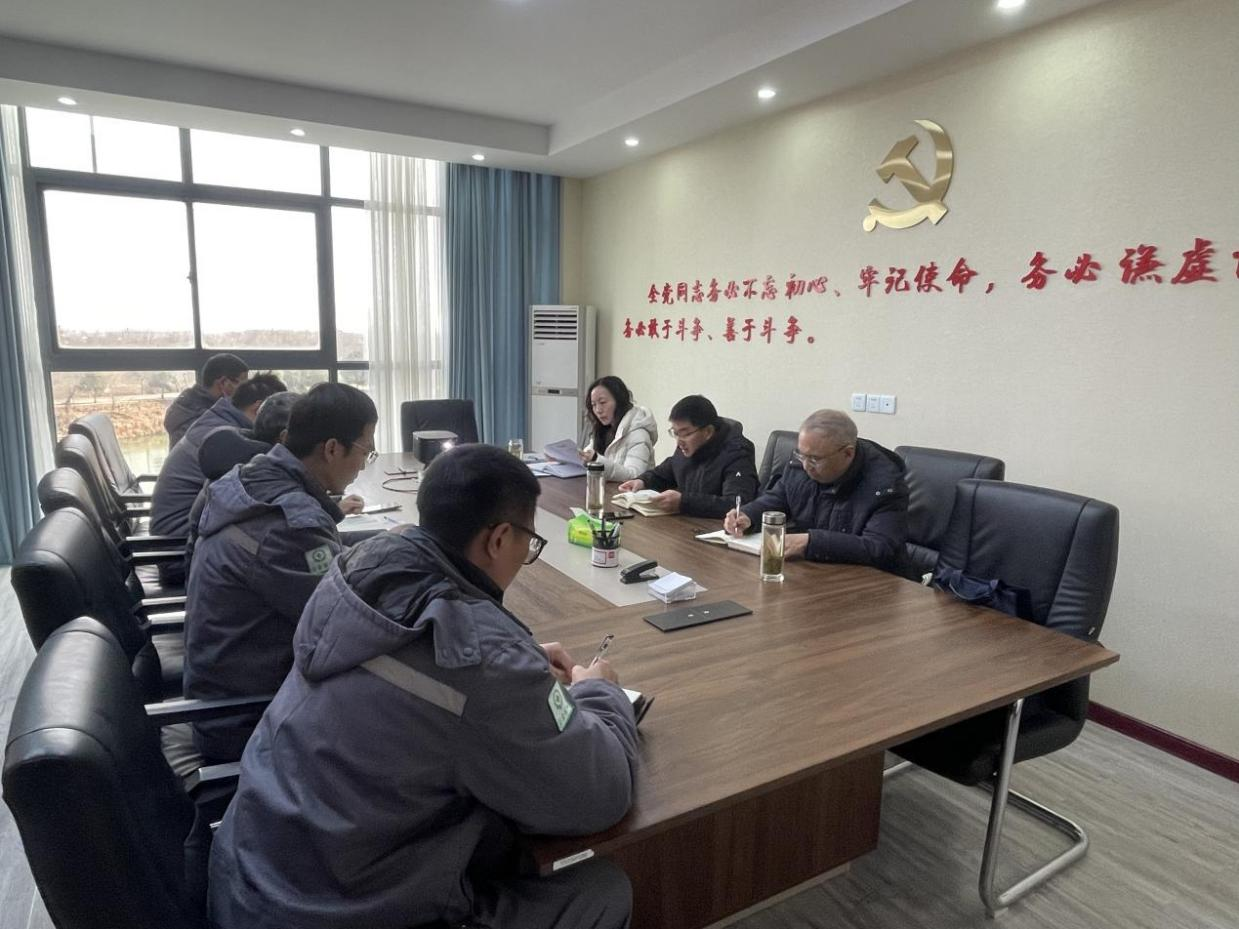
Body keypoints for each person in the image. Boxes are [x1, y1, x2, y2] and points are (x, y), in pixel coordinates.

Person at [209, 444, 638, 929]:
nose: (526, 556)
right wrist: (599, 692)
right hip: (329, 911)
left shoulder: (360, 570)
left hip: (254, 871)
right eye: (529, 543)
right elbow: (600, 794)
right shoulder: (480, 666)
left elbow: (428, 678)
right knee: (603, 890)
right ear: (499, 539)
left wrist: (516, 664)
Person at [183, 382, 379, 763]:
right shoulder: (291, 522)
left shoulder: (252, 479)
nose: (362, 464)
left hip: (228, 694)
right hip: (250, 721)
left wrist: (384, 550)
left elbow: (322, 570)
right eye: (365, 451)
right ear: (332, 448)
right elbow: (344, 625)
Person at [723, 409, 909, 574]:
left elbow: (879, 547)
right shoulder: (801, 463)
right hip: (814, 570)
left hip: (871, 583)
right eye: (801, 455)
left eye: (814, 459)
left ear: (848, 453)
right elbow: (779, 497)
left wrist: (810, 542)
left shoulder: (885, 485)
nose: (805, 466)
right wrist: (748, 515)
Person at [149, 373, 288, 541]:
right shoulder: (224, 440)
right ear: (258, 409)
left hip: (183, 529)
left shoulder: (218, 421)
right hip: (177, 540)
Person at [618, 394, 759, 517]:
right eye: (675, 433)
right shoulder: (687, 446)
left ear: (708, 431)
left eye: (685, 433)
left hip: (720, 531)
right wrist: (642, 481)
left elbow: (736, 503)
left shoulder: (737, 454)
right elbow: (666, 472)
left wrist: (683, 503)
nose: (679, 442)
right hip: (687, 526)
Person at [578, 375, 657, 482]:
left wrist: (596, 460)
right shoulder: (604, 429)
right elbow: (587, 454)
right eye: (593, 405)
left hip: (631, 492)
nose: (598, 410)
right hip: (607, 489)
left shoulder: (638, 434)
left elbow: (634, 475)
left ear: (619, 401)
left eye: (602, 402)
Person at [164, 353, 249, 446]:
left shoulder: (186, 407)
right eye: (243, 385)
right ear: (223, 382)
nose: (245, 391)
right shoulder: (205, 419)